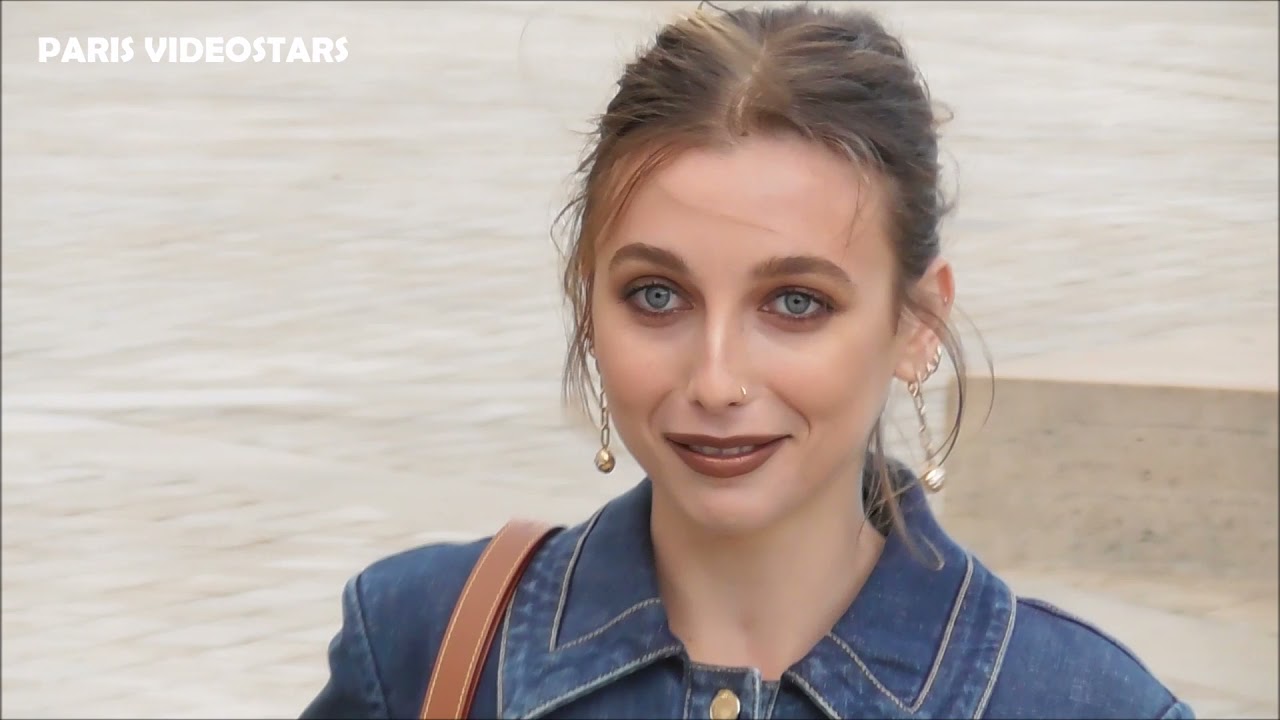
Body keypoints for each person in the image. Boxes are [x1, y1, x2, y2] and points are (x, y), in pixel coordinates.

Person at [301, 3, 1194, 718]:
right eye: (658, 296)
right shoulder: (418, 645)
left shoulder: (1081, 702)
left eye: (795, 304)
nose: (715, 381)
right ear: (588, 301)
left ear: (918, 320)